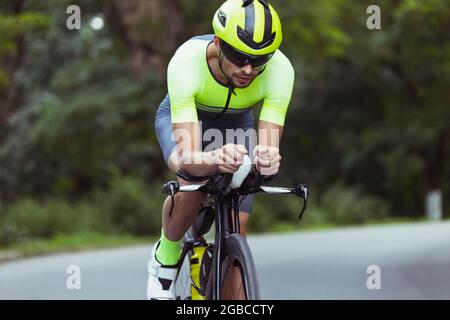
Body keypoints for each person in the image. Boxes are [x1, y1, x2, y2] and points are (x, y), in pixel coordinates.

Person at [147, 0, 294, 300]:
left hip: (237, 123)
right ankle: (166, 254)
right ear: (218, 43)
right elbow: (186, 157)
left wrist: (268, 159)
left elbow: (268, 147)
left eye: (260, 59)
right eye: (239, 57)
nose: (249, 69)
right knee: (192, 185)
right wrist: (212, 159)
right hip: (191, 119)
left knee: (238, 225)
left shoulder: (280, 70)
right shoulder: (187, 61)